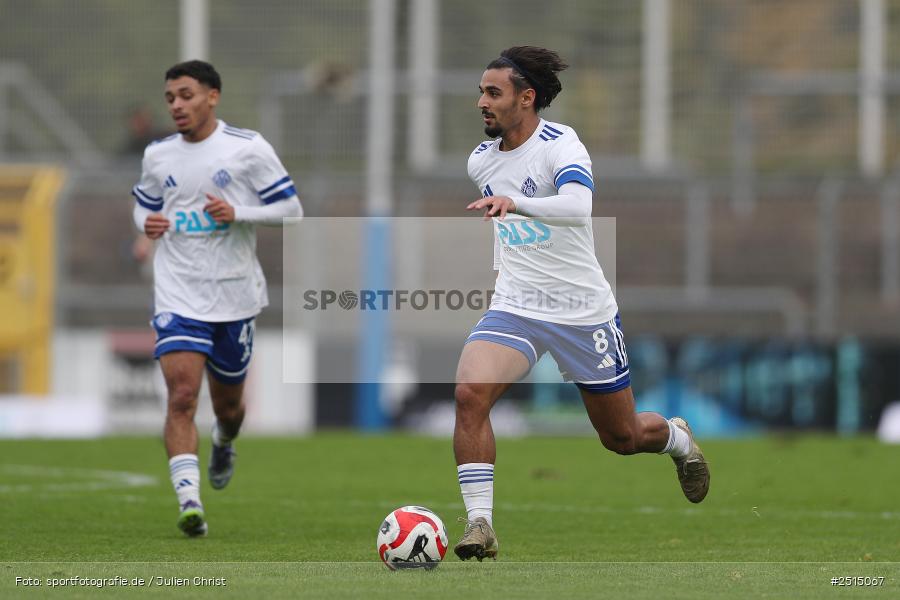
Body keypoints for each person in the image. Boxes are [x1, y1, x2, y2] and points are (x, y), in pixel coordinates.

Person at [453, 46, 710, 561]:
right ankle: (480, 524)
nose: (482, 101)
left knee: (622, 436)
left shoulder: (560, 143)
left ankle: (677, 439)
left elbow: (578, 205)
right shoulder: (481, 160)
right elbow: (512, 233)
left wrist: (516, 201)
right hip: (517, 304)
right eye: (481, 91)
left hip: (580, 309)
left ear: (527, 98)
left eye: (493, 92)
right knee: (468, 394)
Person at [131, 60, 303, 537]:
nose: (177, 106)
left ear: (212, 96)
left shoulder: (248, 149)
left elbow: (292, 208)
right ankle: (190, 502)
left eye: (186, 95)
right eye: (170, 98)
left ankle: (225, 441)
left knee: (229, 408)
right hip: (177, 293)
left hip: (233, 298)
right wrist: (145, 226)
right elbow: (143, 208)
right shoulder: (158, 155)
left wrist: (239, 212)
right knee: (182, 395)